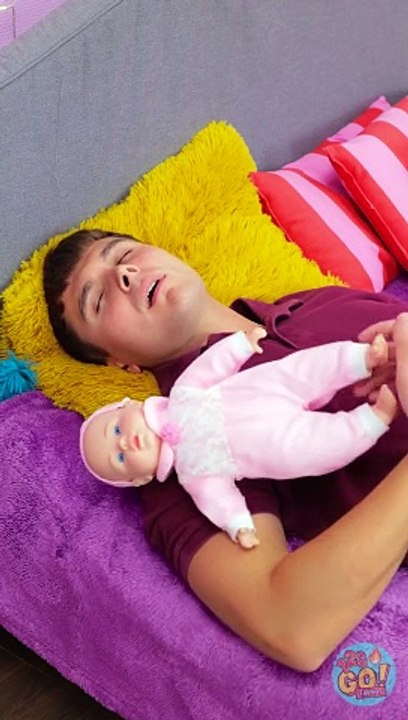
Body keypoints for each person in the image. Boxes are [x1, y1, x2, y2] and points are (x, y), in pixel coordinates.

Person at [43, 229, 408, 672]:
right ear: (118, 362)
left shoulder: (318, 301)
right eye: (98, 299)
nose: (124, 274)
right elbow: (291, 626)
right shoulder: (180, 460)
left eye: (123, 254)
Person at [79, 328, 396, 548]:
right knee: (316, 449)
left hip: (268, 387)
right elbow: (218, 500)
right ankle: (371, 421)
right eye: (120, 458)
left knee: (303, 369)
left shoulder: (182, 395)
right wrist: (239, 525)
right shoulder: (193, 474)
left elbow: (210, 367)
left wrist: (240, 345)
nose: (123, 443)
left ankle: (361, 358)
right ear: (142, 478)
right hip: (278, 444)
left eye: (116, 429)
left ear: (132, 406)